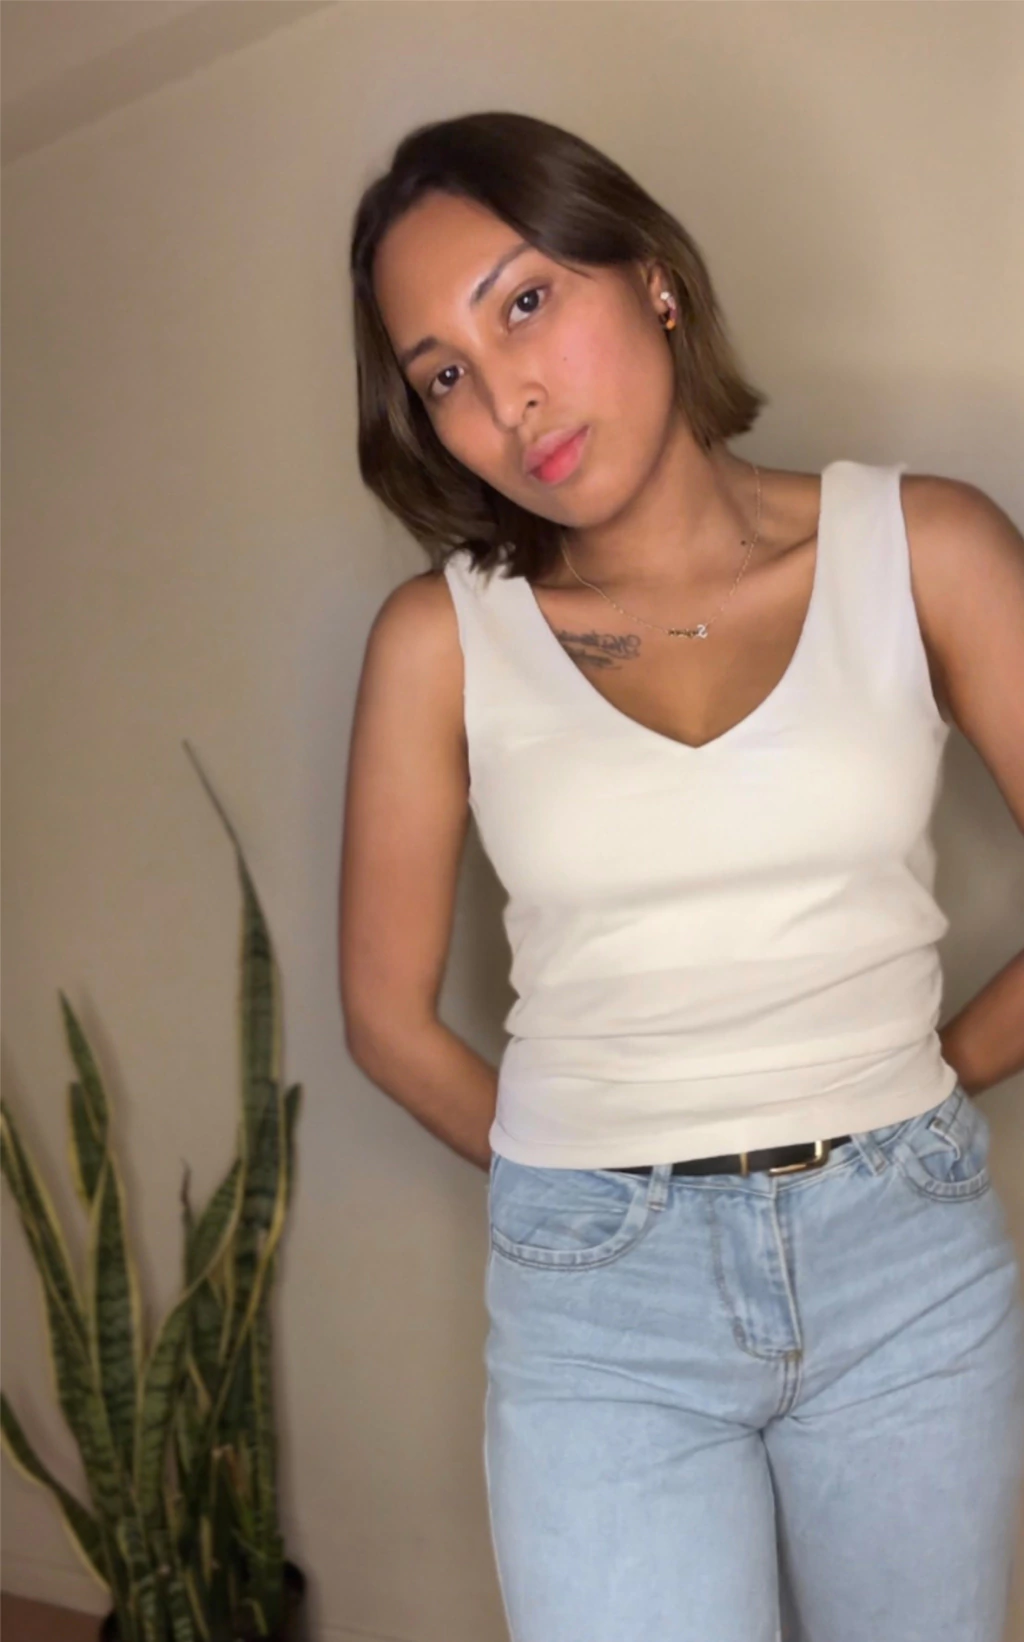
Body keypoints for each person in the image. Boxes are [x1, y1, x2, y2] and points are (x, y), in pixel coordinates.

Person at [338, 110, 1024, 1641]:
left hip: (906, 1265)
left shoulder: (925, 547)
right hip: (602, 1311)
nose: (505, 398)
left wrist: (932, 1077)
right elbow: (384, 1017)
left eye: (525, 301)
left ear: (650, 275)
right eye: (442, 374)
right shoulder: (440, 640)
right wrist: (589, 1188)